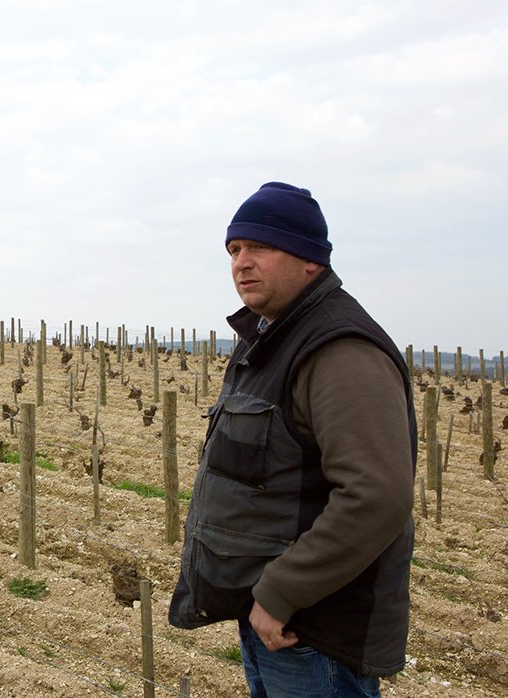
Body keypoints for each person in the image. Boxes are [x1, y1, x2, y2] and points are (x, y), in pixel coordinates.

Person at [169, 182, 416, 697]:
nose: (242, 262)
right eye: (234, 249)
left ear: (309, 259)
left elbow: (376, 497)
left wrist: (281, 593)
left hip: (312, 631)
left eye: (260, 246)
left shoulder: (339, 350)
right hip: (271, 617)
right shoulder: (271, 337)